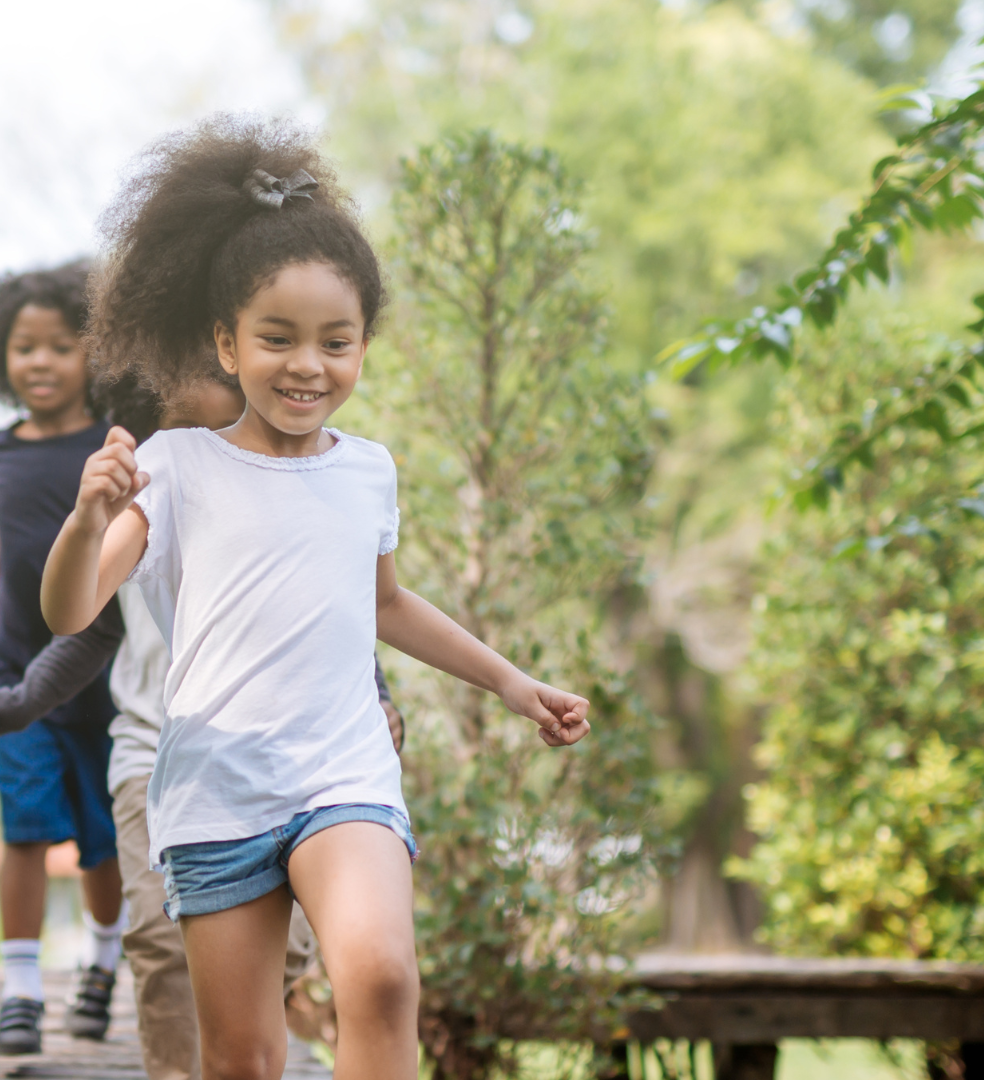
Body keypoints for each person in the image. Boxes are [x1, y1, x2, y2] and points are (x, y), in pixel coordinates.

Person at [41, 115, 590, 1080]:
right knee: (245, 1060)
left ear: (364, 345)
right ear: (225, 341)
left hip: (343, 771)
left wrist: (512, 683)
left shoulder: (369, 471)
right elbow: (70, 610)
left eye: (336, 342)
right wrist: (89, 518)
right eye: (277, 338)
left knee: (378, 978)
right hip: (216, 789)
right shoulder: (175, 466)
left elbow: (387, 605)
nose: (308, 365)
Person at [0, 369, 403, 1079]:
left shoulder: (311, 487)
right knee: (159, 939)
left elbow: (339, 614)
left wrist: (380, 695)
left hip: (294, 771)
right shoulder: (152, 499)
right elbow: (82, 630)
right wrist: (19, 704)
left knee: (290, 960)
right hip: (157, 756)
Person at [0, 263, 125, 1054]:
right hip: (12, 679)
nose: (40, 362)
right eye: (23, 347)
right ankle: (17, 989)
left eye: (60, 345)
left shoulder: (112, 451)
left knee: (101, 835)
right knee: (24, 828)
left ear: (95, 354)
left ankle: (102, 964)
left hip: (102, 682)